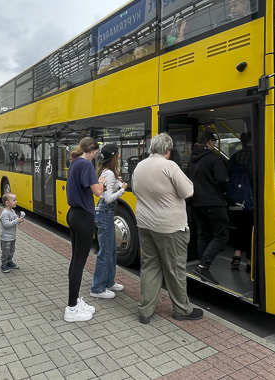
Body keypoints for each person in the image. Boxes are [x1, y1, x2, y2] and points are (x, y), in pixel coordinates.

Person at [133, 132, 202, 324]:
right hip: (170, 227)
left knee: (149, 266)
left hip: (145, 225)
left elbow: (136, 190)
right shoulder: (169, 166)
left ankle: (145, 310)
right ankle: (182, 309)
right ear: (167, 150)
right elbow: (188, 191)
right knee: (175, 269)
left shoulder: (139, 166)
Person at [64, 137, 105, 322]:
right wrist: (102, 181)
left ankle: (75, 300)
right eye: (96, 151)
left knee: (75, 260)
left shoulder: (74, 163)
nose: (97, 154)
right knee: (80, 262)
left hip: (73, 214)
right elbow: (97, 191)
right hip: (83, 217)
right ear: (91, 150)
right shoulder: (86, 165)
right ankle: (71, 308)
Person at [187, 131, 229, 285]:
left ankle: (201, 264)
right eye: (214, 142)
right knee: (221, 235)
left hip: (195, 202)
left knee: (203, 234)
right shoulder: (214, 159)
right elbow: (221, 180)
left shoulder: (192, 159)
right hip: (213, 202)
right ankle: (203, 265)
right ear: (210, 142)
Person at [90, 144, 127, 299]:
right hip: (105, 213)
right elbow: (107, 197)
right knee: (105, 252)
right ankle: (97, 288)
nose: (119, 158)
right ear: (113, 157)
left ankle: (109, 281)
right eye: (117, 156)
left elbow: (106, 190)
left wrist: (118, 183)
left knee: (111, 249)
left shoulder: (106, 172)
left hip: (104, 213)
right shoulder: (109, 173)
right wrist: (122, 189)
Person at [227, 132, 253, 272]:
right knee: (250, 230)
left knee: (239, 228)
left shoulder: (234, 157)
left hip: (236, 200)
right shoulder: (257, 156)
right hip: (250, 200)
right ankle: (250, 262)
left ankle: (236, 257)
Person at [0, 192, 24, 273]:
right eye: (14, 200)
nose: (16, 202)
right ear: (7, 203)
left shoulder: (12, 211)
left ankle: (9, 261)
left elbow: (14, 221)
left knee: (12, 250)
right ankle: (4, 264)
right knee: (5, 251)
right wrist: (16, 220)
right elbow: (6, 225)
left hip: (12, 236)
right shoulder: (5, 213)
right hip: (6, 237)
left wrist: (19, 220)